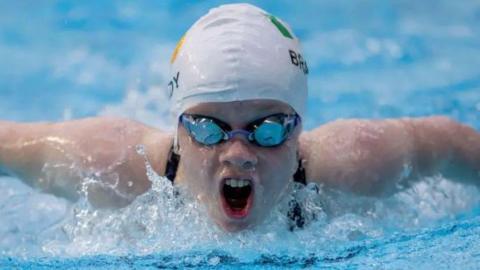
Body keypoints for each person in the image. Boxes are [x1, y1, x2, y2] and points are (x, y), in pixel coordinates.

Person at [0, 3, 479, 232]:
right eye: (208, 128)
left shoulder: (353, 160)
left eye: (268, 129)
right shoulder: (111, 167)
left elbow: (449, 141)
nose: (239, 154)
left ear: (298, 130)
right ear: (179, 131)